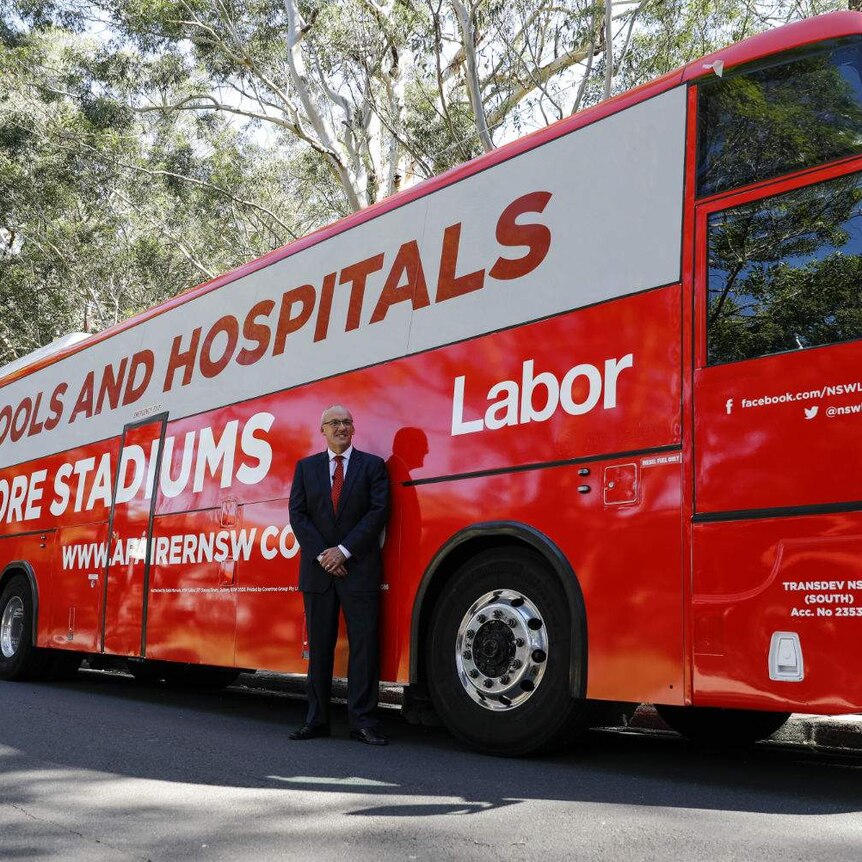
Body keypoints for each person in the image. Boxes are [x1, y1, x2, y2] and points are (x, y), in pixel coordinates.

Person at [288, 404, 390, 745]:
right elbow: (298, 515)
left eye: (347, 421)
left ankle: (362, 721)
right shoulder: (305, 469)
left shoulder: (373, 467)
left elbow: (377, 512)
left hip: (358, 569)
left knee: (363, 647)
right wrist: (324, 555)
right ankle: (316, 720)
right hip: (319, 573)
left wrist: (343, 551)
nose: (341, 427)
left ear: (353, 428)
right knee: (320, 648)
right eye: (334, 422)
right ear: (323, 430)